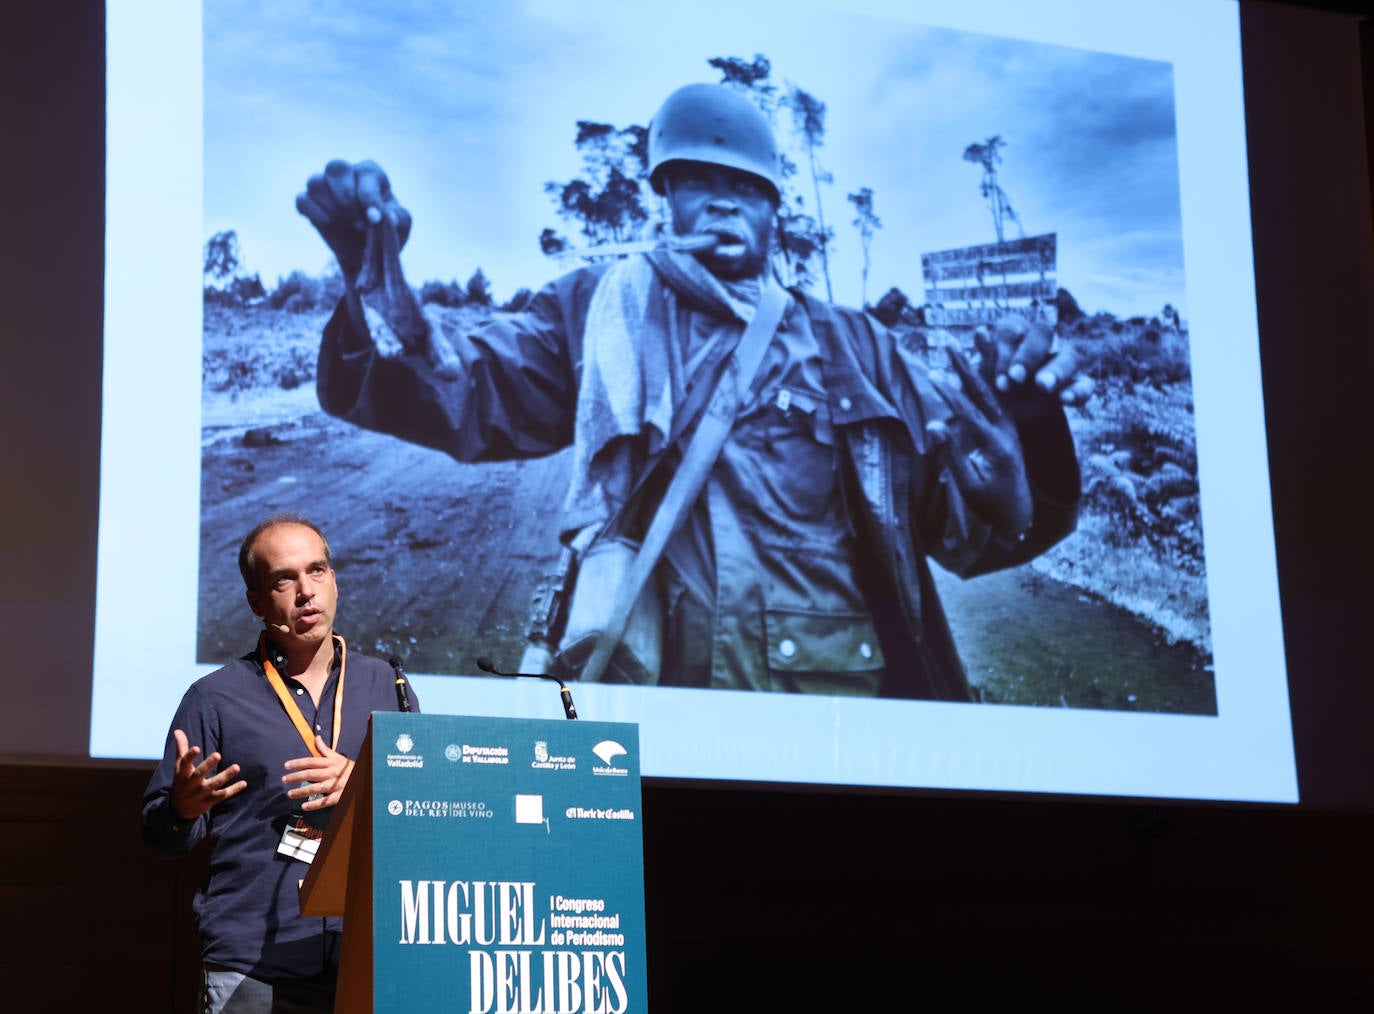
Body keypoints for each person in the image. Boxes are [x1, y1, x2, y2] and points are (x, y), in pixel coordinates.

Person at [296, 82, 1087, 700]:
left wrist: (1029, 442)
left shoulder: (861, 346)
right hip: (652, 717)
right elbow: (465, 393)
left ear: (776, 207)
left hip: (835, 719)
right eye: (695, 181)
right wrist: (380, 297)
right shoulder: (597, 310)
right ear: (664, 197)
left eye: (742, 186)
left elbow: (969, 534)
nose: (719, 200)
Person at [142, 513, 418, 1012]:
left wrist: (364, 783)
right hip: (254, 964)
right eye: (283, 580)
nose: (306, 592)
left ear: (335, 581)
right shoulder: (216, 699)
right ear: (255, 601)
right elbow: (160, 836)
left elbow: (424, 808)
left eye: (317, 571)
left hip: (367, 955)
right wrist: (181, 810)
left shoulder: (387, 686)